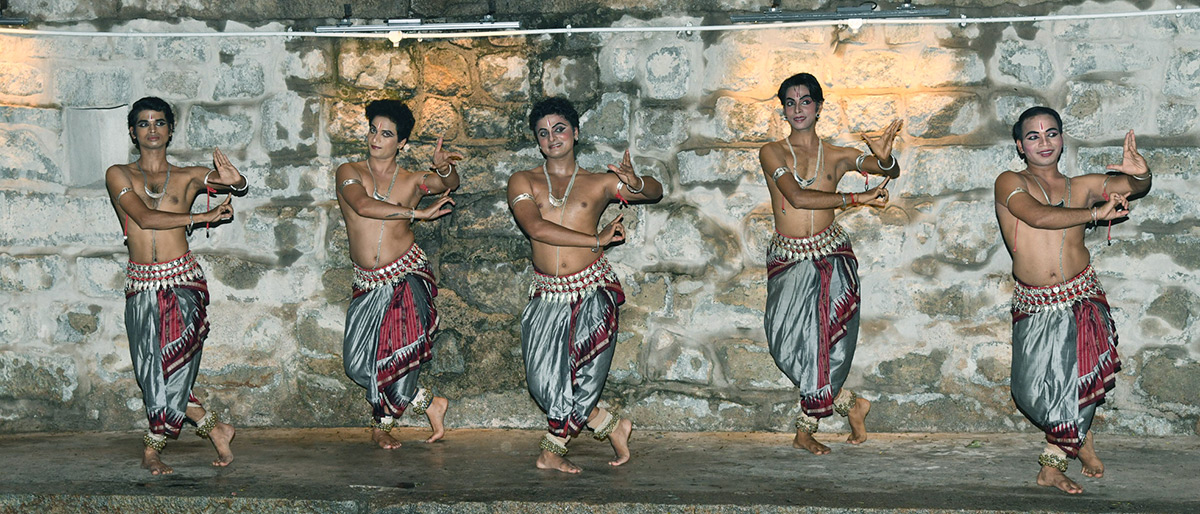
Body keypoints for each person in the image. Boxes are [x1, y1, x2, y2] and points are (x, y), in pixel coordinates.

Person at [993, 106, 1150, 494]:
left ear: (1062, 139)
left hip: (1080, 295)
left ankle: (1054, 461)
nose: (1043, 142)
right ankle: (1080, 434)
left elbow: (1133, 187)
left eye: (1051, 134)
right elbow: (1039, 216)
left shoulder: (1080, 185)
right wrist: (1096, 213)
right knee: (1028, 392)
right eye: (1033, 136)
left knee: (1076, 381)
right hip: (1034, 302)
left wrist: (1141, 173)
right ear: (1020, 145)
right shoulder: (1009, 181)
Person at [506, 97, 662, 473]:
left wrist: (635, 181)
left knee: (583, 377)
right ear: (537, 140)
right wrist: (597, 240)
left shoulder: (598, 183)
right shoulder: (523, 181)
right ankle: (610, 424)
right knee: (543, 384)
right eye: (543, 133)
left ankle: (552, 450)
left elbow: (654, 192)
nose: (552, 138)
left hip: (592, 290)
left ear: (575, 133)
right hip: (547, 293)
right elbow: (536, 227)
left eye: (559, 129)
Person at [758, 73, 900, 455]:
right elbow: (798, 198)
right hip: (788, 258)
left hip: (831, 255)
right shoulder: (772, 152)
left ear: (819, 107)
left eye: (806, 101)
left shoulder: (836, 154)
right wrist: (859, 198)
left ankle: (805, 427)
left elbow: (886, 169)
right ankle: (850, 404)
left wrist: (884, 157)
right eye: (790, 102)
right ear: (783, 110)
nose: (798, 108)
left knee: (828, 344)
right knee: (785, 345)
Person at [104, 96, 241, 474]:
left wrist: (236, 180)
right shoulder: (118, 174)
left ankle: (153, 447)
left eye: (160, 123)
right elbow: (145, 218)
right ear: (133, 132)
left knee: (174, 368)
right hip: (142, 283)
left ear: (170, 130)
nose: (152, 129)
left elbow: (234, 182)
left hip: (182, 281)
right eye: (144, 123)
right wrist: (203, 216)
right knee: (151, 369)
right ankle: (217, 430)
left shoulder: (189, 175)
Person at [335, 99, 456, 449]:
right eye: (373, 130)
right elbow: (362, 205)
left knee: (396, 354)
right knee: (357, 365)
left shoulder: (413, 180)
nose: (376, 138)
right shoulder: (349, 172)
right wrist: (418, 216)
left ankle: (382, 423)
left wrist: (444, 169)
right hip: (367, 282)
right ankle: (427, 403)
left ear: (401, 142)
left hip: (406, 275)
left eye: (386, 134)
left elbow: (449, 182)